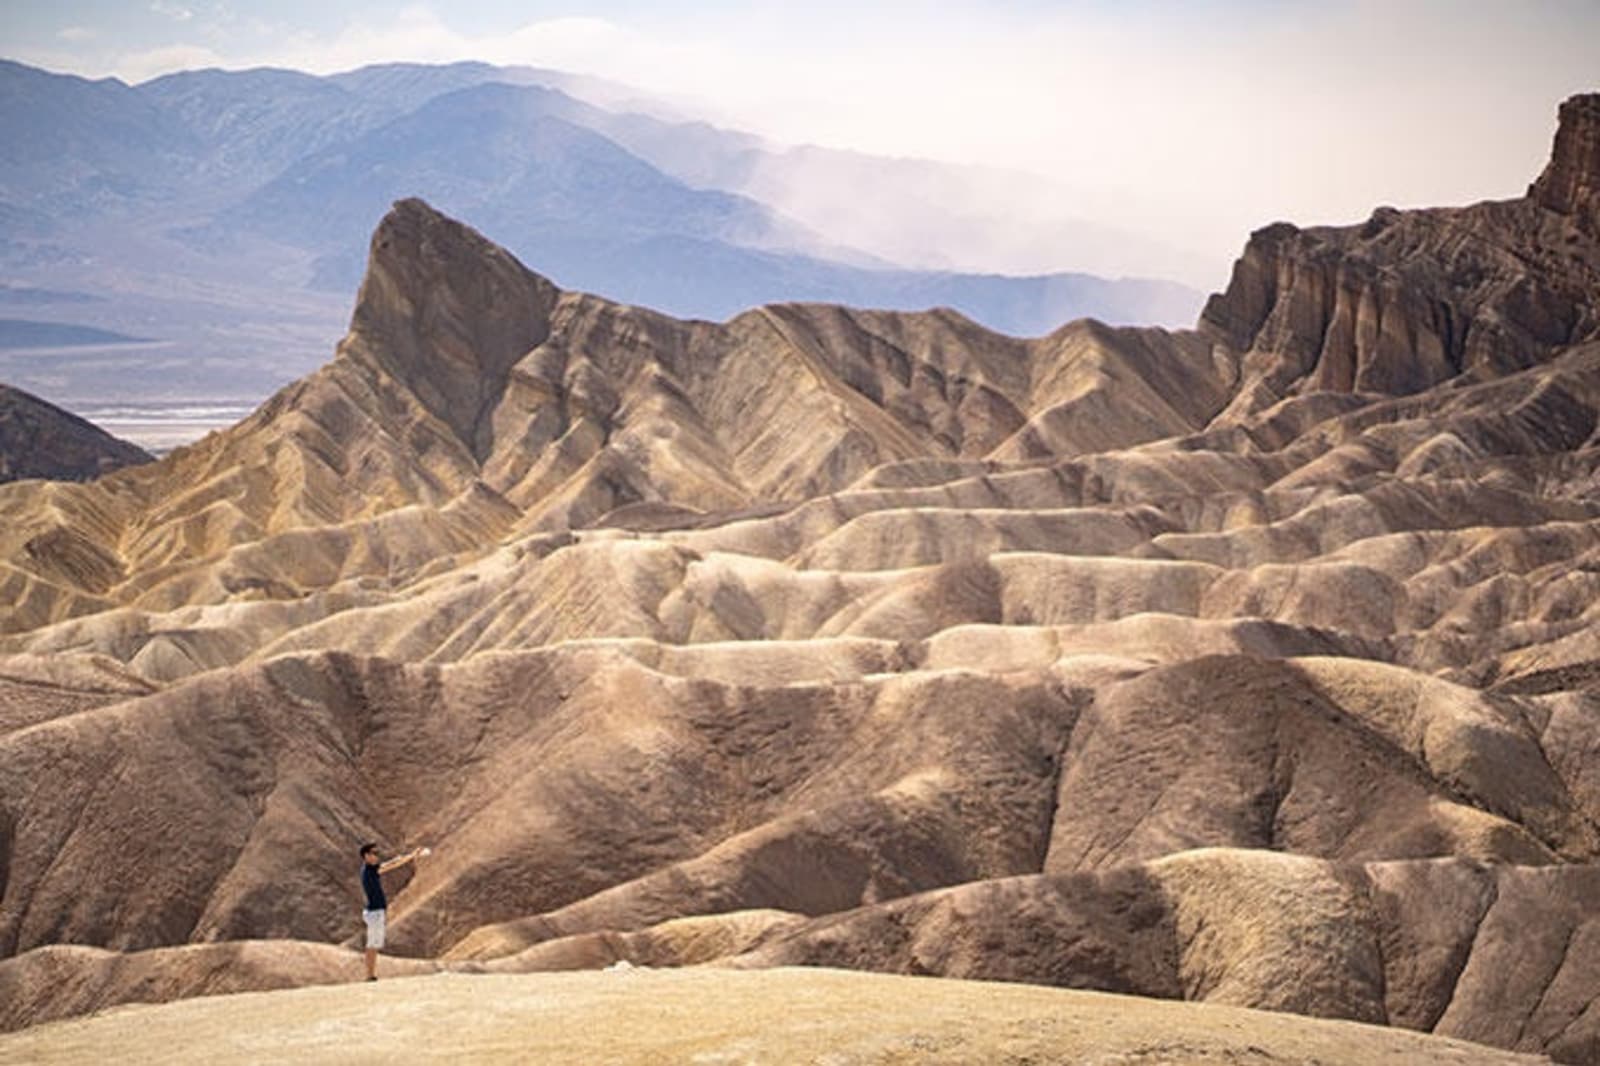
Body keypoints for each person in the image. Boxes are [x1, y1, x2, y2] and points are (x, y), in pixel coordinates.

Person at [359, 842, 424, 981]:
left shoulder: (370, 869)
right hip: (374, 912)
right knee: (372, 944)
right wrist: (412, 855)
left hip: (376, 912)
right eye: (374, 853)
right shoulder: (369, 871)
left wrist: (408, 857)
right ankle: (369, 975)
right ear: (366, 856)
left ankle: (371, 974)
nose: (377, 856)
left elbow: (391, 863)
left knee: (374, 944)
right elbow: (391, 865)